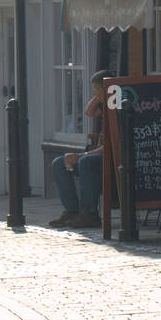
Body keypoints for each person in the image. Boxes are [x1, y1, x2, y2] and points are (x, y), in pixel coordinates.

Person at [49, 71, 111, 229]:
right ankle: (72, 210)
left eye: (96, 89)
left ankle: (89, 213)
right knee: (59, 163)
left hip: (110, 158)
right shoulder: (104, 107)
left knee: (85, 161)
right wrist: (99, 96)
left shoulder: (117, 108)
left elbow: (110, 147)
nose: (95, 94)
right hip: (98, 154)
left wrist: (82, 154)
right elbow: (89, 112)